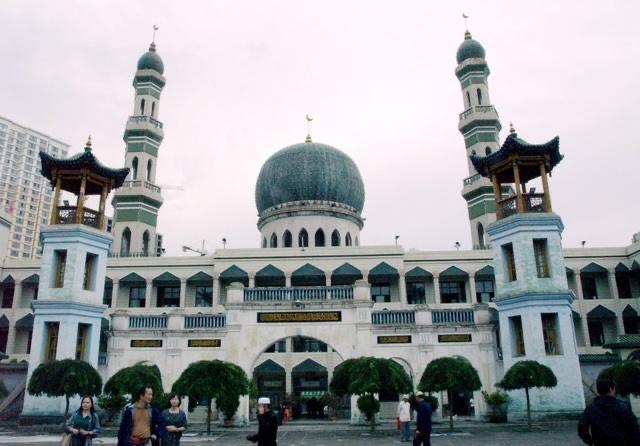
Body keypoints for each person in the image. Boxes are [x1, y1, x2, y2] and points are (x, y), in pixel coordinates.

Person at [578, 377, 640, 445]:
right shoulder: (623, 406)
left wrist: (590, 441)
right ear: (611, 389)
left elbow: (582, 427)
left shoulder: (590, 408)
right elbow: (634, 427)